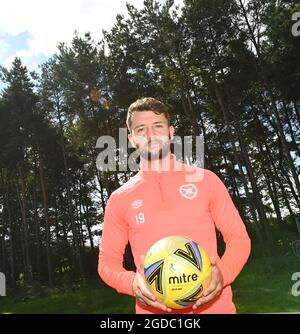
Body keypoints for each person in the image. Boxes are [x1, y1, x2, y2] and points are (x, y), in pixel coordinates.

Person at [98, 97, 251, 314]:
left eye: (157, 126)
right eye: (141, 129)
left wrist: (223, 273)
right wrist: (131, 283)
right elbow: (107, 263)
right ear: (131, 139)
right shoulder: (119, 198)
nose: (150, 135)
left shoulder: (206, 180)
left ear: (171, 132)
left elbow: (239, 239)